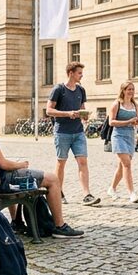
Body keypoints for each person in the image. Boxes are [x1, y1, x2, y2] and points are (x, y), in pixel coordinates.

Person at [0, 93, 84, 238]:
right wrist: (20, 165)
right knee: (53, 179)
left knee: (14, 172)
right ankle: (60, 226)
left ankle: (17, 222)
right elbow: (3, 164)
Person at [46, 62, 95, 205]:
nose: (82, 75)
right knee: (61, 162)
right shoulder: (58, 89)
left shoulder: (81, 90)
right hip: (62, 132)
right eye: (79, 73)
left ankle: (87, 194)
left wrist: (84, 115)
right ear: (71, 73)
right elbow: (49, 110)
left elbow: (82, 108)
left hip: (78, 132)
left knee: (83, 162)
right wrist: (68, 114)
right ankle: (58, 192)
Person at [106, 82, 138, 203]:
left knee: (122, 166)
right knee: (127, 164)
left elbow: (136, 121)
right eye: (128, 89)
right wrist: (128, 121)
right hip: (118, 136)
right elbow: (111, 122)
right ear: (123, 90)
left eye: (132, 89)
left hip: (130, 136)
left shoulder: (135, 105)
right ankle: (132, 193)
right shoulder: (116, 104)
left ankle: (112, 188)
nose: (131, 91)